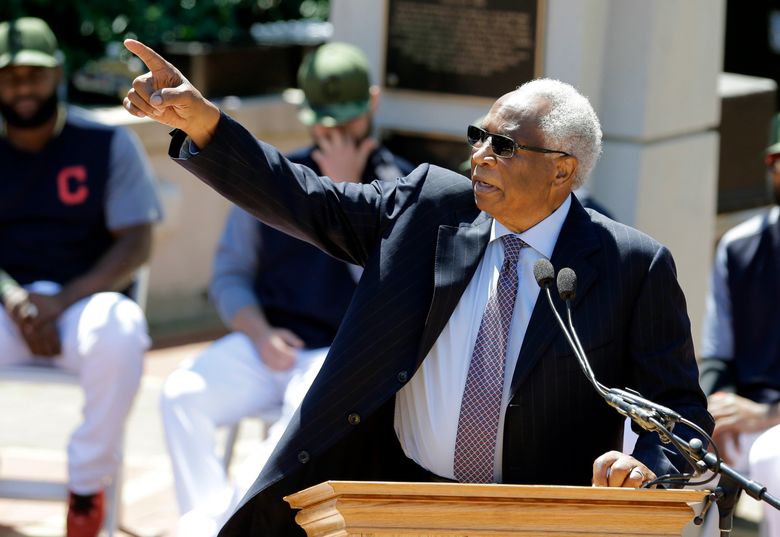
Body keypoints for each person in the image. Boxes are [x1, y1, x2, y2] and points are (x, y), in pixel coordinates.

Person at [122, 39, 713, 536]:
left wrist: (648, 467)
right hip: (396, 498)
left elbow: (679, 414)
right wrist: (202, 122)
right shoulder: (427, 210)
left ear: (562, 168)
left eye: (503, 146)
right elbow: (303, 198)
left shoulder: (631, 265)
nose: (479, 156)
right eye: (479, 136)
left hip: (542, 517)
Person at [158, 41, 414, 537]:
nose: (334, 132)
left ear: (373, 104)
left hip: (338, 360)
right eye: (324, 119)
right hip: (268, 343)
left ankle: (220, 528)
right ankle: (209, 522)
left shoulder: (402, 186)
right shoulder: (270, 175)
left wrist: (346, 199)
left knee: (283, 437)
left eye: (347, 119)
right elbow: (230, 274)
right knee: (180, 394)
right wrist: (257, 332)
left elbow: (392, 297)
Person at [0, 19, 162, 537]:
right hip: (7, 309)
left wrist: (61, 300)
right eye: (11, 77)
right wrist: (13, 299)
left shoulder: (103, 143)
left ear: (59, 75)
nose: (23, 88)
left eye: (34, 75)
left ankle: (88, 491)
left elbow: (137, 241)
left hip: (82, 305)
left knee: (121, 328)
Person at [699, 123, 780, 536]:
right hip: (742, 415)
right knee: (681, 450)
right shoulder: (740, 243)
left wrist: (766, 416)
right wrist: (711, 414)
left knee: (774, 457)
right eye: (778, 160)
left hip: (771, 424)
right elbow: (718, 351)